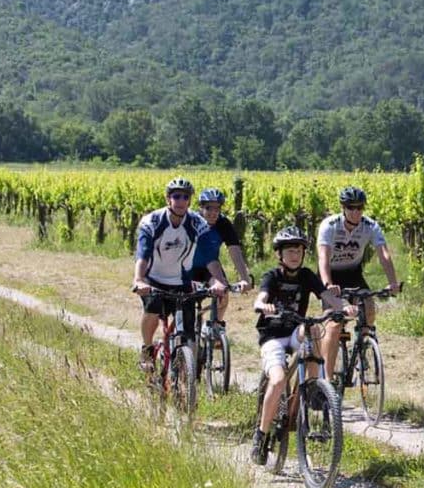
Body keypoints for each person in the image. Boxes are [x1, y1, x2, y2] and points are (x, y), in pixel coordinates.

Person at [251, 226, 356, 464]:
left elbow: (327, 297)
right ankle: (261, 434)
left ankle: (311, 387)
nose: (295, 254)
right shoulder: (272, 276)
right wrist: (262, 306)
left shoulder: (307, 275)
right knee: (278, 380)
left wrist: (343, 307)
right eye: (289, 250)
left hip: (295, 329)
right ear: (280, 254)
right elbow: (261, 297)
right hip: (272, 335)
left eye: (298, 249)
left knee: (315, 327)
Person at [132, 177, 228, 372]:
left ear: (190, 201)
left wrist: (218, 280)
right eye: (176, 196)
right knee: (152, 309)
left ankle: (185, 371)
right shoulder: (152, 221)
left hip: (181, 281)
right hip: (154, 280)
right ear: (168, 199)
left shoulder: (196, 223)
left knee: (189, 332)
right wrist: (139, 279)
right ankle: (147, 349)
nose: (181, 201)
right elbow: (143, 255)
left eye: (185, 197)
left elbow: (211, 257)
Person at [316, 186, 400, 379]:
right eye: (351, 208)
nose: (356, 212)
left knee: (369, 306)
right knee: (334, 324)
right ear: (343, 208)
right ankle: (326, 379)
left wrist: (393, 282)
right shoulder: (330, 225)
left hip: (353, 273)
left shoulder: (370, 226)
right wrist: (328, 284)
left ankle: (362, 347)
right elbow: (323, 257)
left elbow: (384, 254)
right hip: (331, 274)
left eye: (359, 208)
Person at [192, 187, 253, 323]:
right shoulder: (191, 222)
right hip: (187, 267)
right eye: (209, 208)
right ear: (200, 207)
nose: (213, 213)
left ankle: (215, 326)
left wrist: (244, 278)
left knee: (223, 294)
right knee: (186, 303)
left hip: (210, 268)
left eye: (217, 209)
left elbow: (235, 251)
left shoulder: (223, 224)